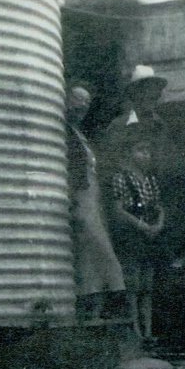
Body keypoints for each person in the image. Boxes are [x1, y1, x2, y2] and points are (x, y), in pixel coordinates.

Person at [64, 83, 125, 318]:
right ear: (66, 99)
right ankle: (118, 296)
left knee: (90, 258)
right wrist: (73, 199)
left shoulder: (79, 134)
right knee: (101, 249)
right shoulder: (64, 132)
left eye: (86, 103)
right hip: (80, 196)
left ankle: (95, 311)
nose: (82, 106)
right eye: (77, 99)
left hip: (92, 196)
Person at [110, 137, 166, 345]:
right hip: (132, 233)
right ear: (128, 154)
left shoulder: (150, 179)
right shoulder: (121, 177)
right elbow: (118, 210)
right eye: (140, 150)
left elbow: (159, 206)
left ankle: (148, 330)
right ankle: (135, 330)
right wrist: (140, 225)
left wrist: (158, 223)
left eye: (148, 151)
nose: (146, 155)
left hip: (150, 233)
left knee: (147, 285)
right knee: (133, 284)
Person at [99, 65, 175, 188]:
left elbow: (169, 167)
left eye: (155, 92)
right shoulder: (118, 126)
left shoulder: (161, 128)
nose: (151, 96)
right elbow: (108, 167)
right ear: (134, 94)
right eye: (145, 90)